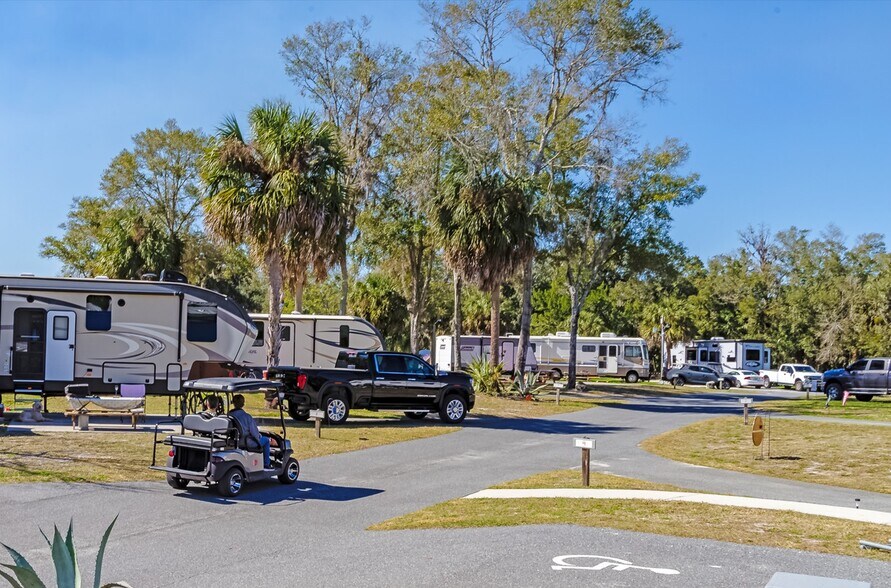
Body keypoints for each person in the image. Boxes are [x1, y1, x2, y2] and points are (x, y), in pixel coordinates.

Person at [229, 394, 271, 469]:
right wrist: (259, 436)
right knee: (266, 440)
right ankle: (266, 464)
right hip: (246, 442)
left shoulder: (229, 415)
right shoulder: (247, 417)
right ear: (243, 404)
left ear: (233, 403)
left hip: (233, 442)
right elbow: (255, 434)